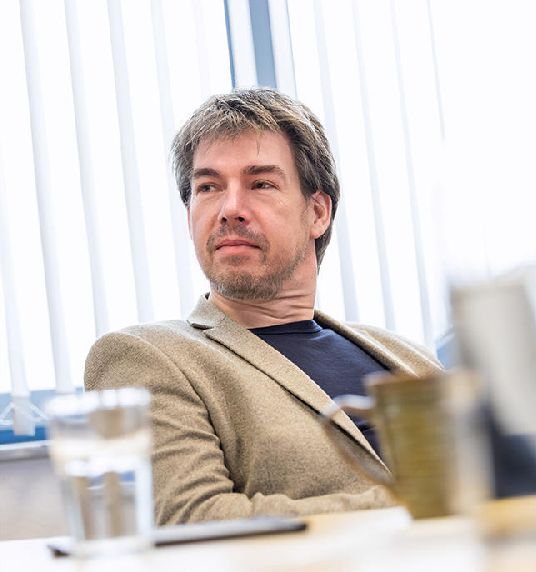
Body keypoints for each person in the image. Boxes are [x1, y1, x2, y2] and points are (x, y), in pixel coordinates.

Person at [84, 88, 442, 525]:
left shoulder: (410, 356)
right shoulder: (143, 358)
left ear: (318, 212)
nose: (230, 209)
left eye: (261, 184)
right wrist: (427, 504)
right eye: (208, 187)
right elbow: (194, 520)